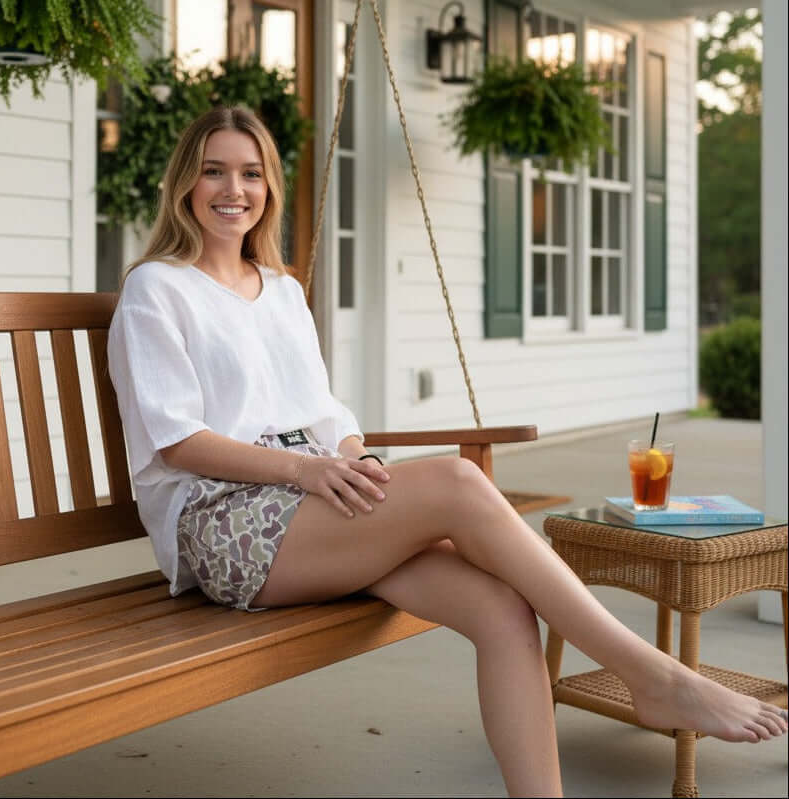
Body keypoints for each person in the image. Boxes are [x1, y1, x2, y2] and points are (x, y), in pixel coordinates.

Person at [108, 106, 787, 798]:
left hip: (314, 502)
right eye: (214, 171)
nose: (234, 189)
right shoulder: (156, 288)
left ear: (270, 186)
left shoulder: (282, 290)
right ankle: (654, 675)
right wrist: (309, 467)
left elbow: (323, 411)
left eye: (251, 173)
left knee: (501, 610)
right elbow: (177, 438)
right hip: (226, 521)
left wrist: (351, 454)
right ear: (184, 182)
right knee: (458, 483)